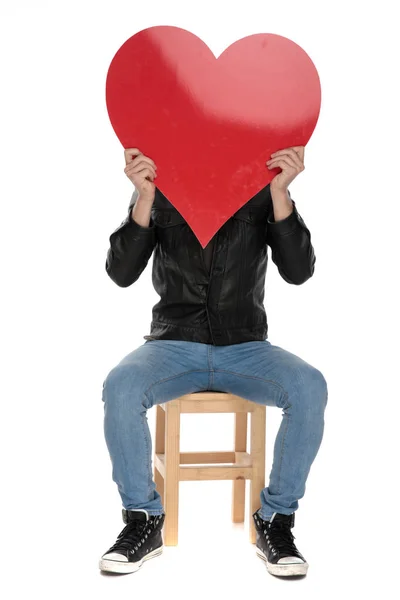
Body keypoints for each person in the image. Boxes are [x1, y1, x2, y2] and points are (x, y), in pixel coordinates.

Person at [99, 147, 328, 578]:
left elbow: (299, 271)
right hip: (173, 343)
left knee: (309, 385)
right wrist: (143, 197)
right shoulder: (162, 184)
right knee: (121, 385)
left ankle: (275, 521)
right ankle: (143, 520)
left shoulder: (261, 188)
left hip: (245, 347)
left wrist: (281, 193)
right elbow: (121, 272)